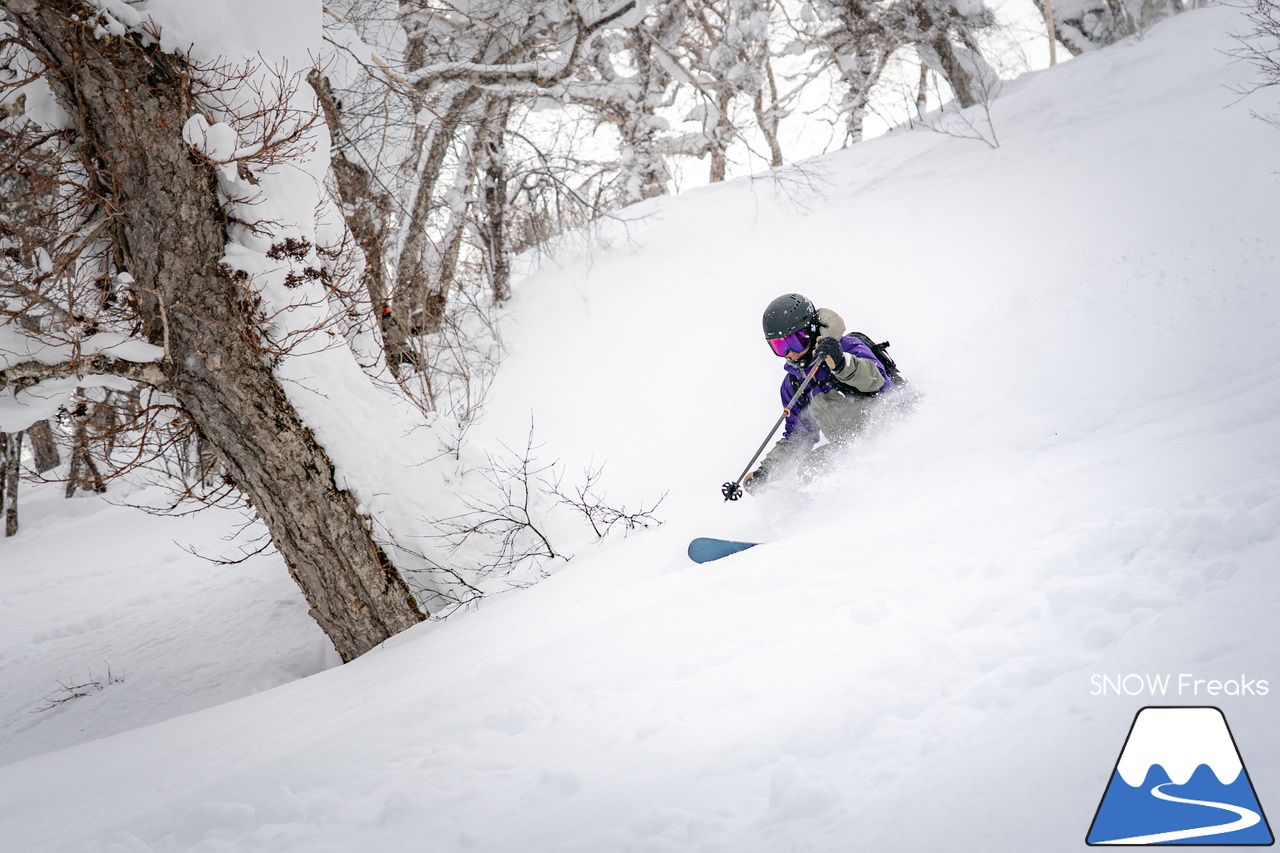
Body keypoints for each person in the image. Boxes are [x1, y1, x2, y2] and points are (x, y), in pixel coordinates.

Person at [743, 293, 898, 493]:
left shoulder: (847, 347)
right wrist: (766, 472)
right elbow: (799, 437)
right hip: (852, 447)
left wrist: (841, 364)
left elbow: (877, 381)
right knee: (812, 468)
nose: (790, 353)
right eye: (780, 347)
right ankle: (825, 509)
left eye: (795, 341)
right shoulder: (794, 383)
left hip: (892, 429)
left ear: (810, 330)